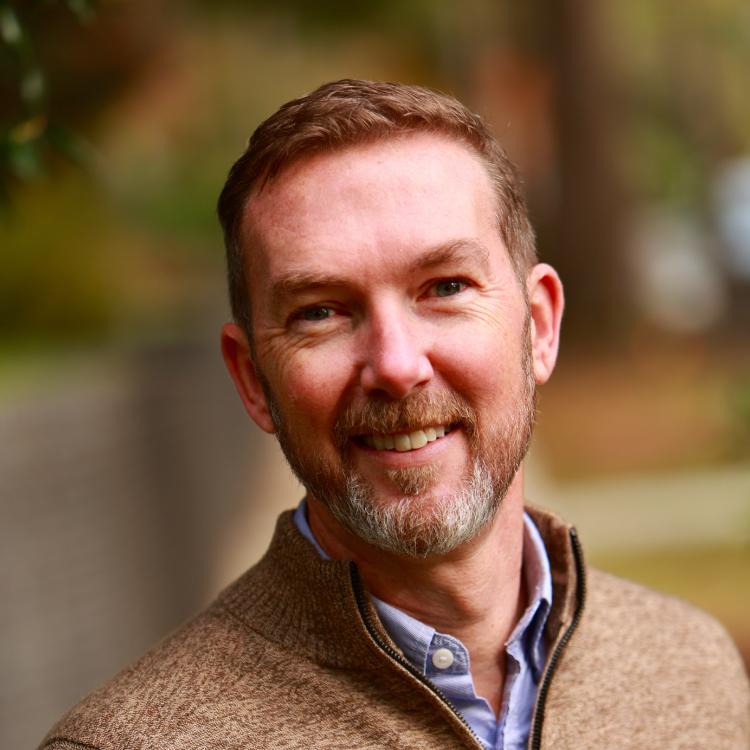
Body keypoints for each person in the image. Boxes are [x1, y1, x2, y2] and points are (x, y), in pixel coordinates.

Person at [39, 80, 750, 750]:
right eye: (320, 311)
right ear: (252, 378)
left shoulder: (693, 670)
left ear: (539, 326)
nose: (397, 362)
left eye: (444, 287)